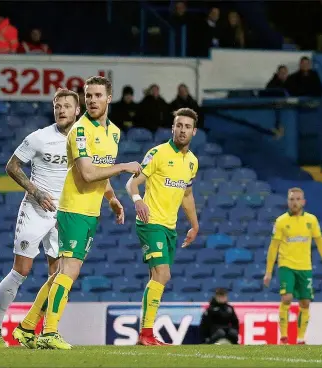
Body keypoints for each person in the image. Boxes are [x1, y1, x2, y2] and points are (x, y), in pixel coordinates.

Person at [36, 76, 142, 350]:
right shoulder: (80, 131)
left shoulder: (114, 132)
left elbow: (100, 171)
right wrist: (123, 167)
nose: (92, 100)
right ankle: (49, 331)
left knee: (61, 272)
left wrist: (112, 199)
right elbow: (88, 172)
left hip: (90, 211)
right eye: (88, 95)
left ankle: (26, 326)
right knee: (68, 271)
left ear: (109, 98)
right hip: (73, 208)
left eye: (97, 95)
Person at [0, 89, 79, 348]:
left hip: (64, 213)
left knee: (58, 275)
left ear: (76, 111)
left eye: (66, 106)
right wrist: (35, 192)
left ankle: (41, 332)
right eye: (57, 106)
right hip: (36, 210)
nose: (61, 110)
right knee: (21, 271)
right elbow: (11, 166)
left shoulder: (83, 140)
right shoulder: (39, 138)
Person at [125, 108, 199, 345]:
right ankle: (146, 334)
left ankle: (145, 334)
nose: (182, 130)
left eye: (187, 126)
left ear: (194, 131)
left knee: (156, 278)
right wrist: (137, 202)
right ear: (172, 128)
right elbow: (132, 183)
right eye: (179, 125)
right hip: (150, 222)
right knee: (163, 274)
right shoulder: (157, 153)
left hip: (170, 227)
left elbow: (187, 195)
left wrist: (194, 225)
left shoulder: (192, 162)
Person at [263, 187, 322, 345]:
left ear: (303, 201)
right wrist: (268, 272)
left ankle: (301, 338)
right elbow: (273, 247)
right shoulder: (281, 221)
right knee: (287, 298)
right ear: (288, 202)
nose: (294, 202)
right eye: (291, 199)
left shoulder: (311, 220)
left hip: (305, 267)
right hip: (286, 265)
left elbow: (320, 242)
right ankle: (284, 337)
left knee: (305, 302)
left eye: (297, 199)